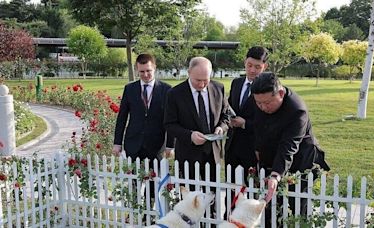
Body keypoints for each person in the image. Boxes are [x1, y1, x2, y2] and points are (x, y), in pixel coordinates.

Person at [251, 72, 330, 227]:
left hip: (301, 162)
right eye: (258, 103)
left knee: (297, 208)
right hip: (274, 158)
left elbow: (289, 146)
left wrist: (275, 175)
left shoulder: (297, 110)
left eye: (267, 103)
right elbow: (259, 128)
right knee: (270, 207)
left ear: (280, 93)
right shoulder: (261, 99)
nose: (262, 107)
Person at [164, 56, 229, 185]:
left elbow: (226, 115)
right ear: (189, 73)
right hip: (188, 154)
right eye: (197, 80)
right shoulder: (174, 94)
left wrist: (221, 127)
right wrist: (190, 135)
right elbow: (169, 124)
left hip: (212, 153)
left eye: (205, 80)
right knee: (189, 197)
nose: (201, 84)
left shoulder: (218, 88)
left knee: (212, 195)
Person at [113, 53, 173, 160]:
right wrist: (117, 143)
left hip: (156, 146)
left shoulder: (167, 90)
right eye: (141, 71)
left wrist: (170, 145)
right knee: (133, 176)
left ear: (154, 68)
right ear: (137, 70)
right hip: (133, 145)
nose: (145, 74)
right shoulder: (129, 89)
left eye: (148, 71)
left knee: (155, 176)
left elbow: (171, 120)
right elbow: (122, 117)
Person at [225, 46, 268, 185]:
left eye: (257, 67)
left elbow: (268, 121)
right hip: (232, 145)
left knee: (251, 190)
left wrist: (245, 123)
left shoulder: (268, 88)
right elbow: (230, 106)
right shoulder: (236, 83)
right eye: (249, 65)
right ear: (244, 62)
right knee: (231, 187)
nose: (252, 70)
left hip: (254, 147)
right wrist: (228, 119)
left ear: (264, 66)